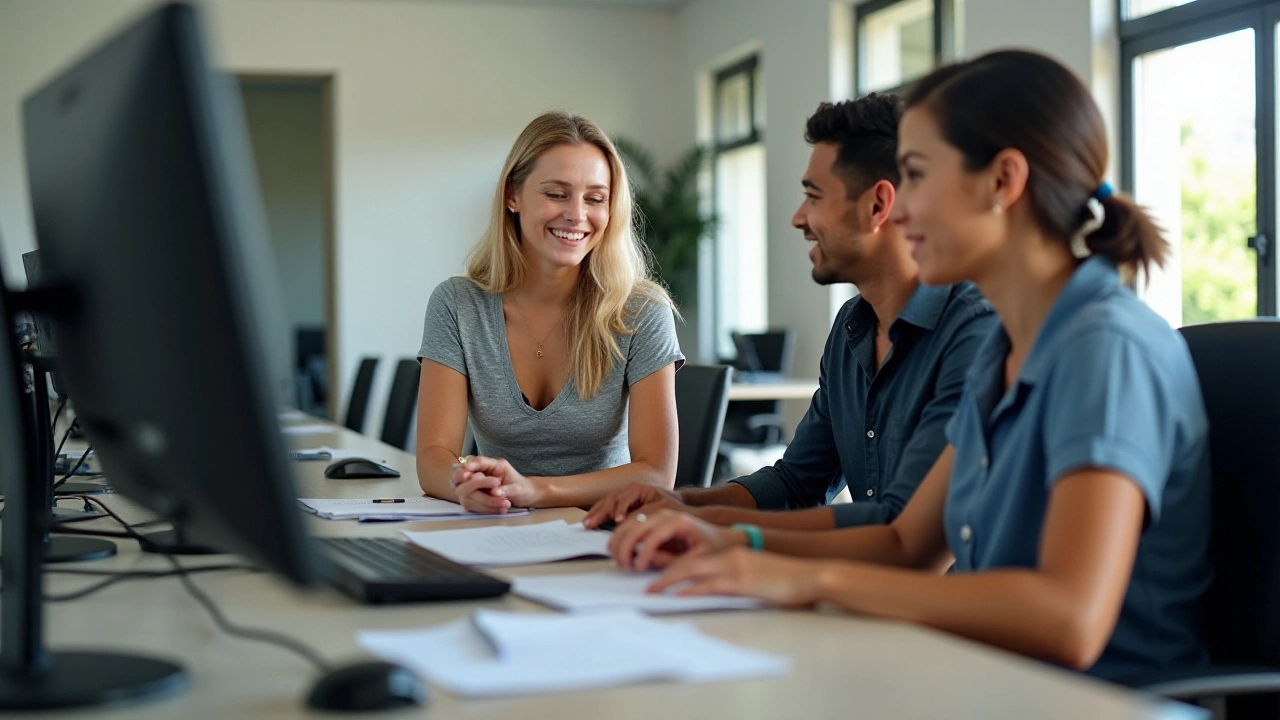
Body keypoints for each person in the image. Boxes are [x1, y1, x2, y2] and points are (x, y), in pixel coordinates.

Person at [606, 50, 1211, 682]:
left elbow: (1068, 619)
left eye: (917, 177)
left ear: (1003, 181)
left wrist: (802, 576)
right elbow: (907, 543)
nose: (901, 209)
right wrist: (736, 540)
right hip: (983, 676)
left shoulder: (1102, 350)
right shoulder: (1010, 347)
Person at [584, 96, 995, 532]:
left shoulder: (974, 333)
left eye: (813, 196)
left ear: (878, 206)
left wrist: (734, 542)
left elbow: (906, 534)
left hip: (948, 596)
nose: (799, 218)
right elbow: (797, 483)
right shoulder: (852, 328)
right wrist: (683, 504)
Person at [415, 111, 684, 514]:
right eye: (557, 194)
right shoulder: (457, 305)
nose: (577, 214)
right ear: (512, 195)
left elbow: (656, 474)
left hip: (603, 531)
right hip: (493, 529)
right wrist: (463, 486)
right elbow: (434, 454)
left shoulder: (642, 311)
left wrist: (537, 491)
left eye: (595, 198)